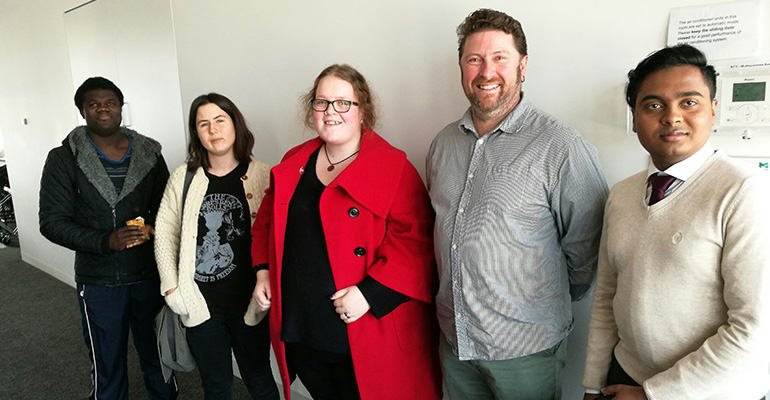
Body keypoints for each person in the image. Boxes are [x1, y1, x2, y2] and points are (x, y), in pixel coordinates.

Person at [426, 8, 609, 400]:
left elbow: (587, 248)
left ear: (523, 66)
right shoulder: (442, 145)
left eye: (499, 58)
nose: (485, 71)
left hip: (526, 349)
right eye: (474, 59)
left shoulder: (561, 146)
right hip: (455, 340)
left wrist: (542, 300)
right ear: (461, 67)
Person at [582, 44, 770, 400]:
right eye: (653, 105)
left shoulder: (744, 192)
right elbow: (607, 297)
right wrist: (593, 383)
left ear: (714, 110)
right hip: (626, 376)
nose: (671, 117)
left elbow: (755, 329)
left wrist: (653, 395)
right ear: (635, 117)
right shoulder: (622, 195)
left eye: (689, 102)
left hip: (711, 389)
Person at [251, 64, 442, 400]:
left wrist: (370, 293)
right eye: (321, 102)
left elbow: (417, 244)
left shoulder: (393, 166)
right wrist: (262, 271)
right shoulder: (292, 162)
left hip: (361, 329)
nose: (331, 112)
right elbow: (266, 225)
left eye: (343, 103)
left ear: (362, 111)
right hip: (302, 327)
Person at [39, 76, 176, 400]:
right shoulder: (64, 158)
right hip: (99, 280)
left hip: (148, 275)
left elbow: (168, 207)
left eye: (110, 102)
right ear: (83, 111)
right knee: (107, 364)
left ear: (120, 108)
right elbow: (52, 222)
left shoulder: (149, 154)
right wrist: (105, 240)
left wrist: (151, 226)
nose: (103, 108)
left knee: (158, 357)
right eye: (94, 104)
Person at [154, 93, 279, 400]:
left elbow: (278, 235)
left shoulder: (264, 174)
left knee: (259, 377)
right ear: (196, 133)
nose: (213, 130)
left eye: (220, 120)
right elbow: (166, 233)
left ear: (235, 125)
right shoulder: (184, 177)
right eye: (203, 124)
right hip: (201, 303)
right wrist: (172, 288)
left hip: (252, 303)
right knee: (216, 385)